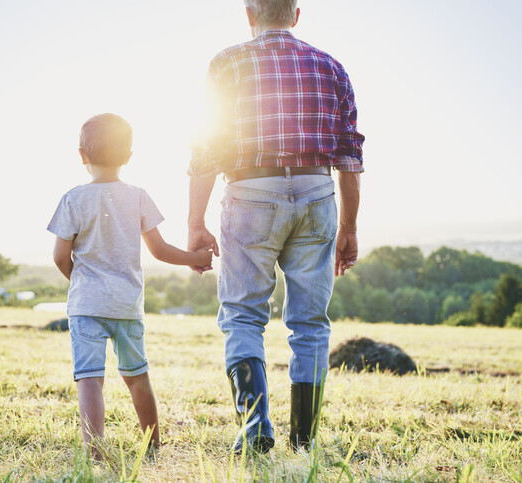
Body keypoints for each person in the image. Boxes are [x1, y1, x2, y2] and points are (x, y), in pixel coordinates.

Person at [187, 0, 365, 454]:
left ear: (250, 13)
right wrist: (350, 226)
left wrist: (195, 221)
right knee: (310, 322)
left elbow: (207, 148)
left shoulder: (227, 63)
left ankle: (254, 431)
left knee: (244, 314)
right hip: (316, 189)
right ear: (296, 14)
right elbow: (349, 157)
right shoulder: (331, 67)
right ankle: (303, 439)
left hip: (250, 191)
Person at [48, 113, 213, 459]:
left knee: (90, 378)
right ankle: (152, 445)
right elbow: (160, 250)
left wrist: (80, 282)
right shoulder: (138, 196)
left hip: (86, 305)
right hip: (126, 304)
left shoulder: (73, 199)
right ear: (128, 157)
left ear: (82, 155)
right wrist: (194, 258)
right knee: (137, 376)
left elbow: (61, 256)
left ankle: (94, 451)